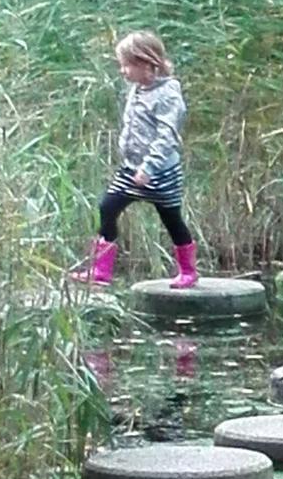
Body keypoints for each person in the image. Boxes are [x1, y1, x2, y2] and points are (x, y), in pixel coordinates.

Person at [73, 30, 197, 287]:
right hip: (131, 169)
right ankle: (101, 269)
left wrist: (149, 167)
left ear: (146, 64)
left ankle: (188, 271)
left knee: (171, 218)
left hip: (160, 172)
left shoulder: (168, 95)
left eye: (126, 65)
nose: (122, 71)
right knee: (106, 208)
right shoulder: (138, 89)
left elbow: (166, 136)